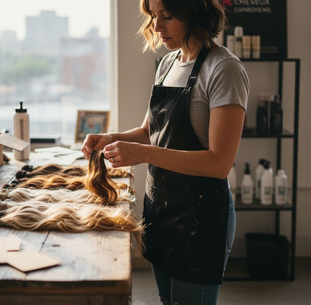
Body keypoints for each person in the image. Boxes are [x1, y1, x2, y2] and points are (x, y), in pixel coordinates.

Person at [81, 0, 249, 303]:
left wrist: (145, 154)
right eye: (154, 16)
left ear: (194, 14)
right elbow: (149, 131)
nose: (157, 27)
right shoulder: (168, 64)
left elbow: (219, 163)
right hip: (159, 210)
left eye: (167, 16)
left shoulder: (224, 69)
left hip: (200, 218)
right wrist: (110, 137)